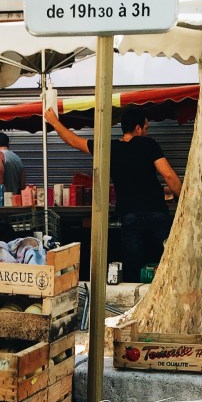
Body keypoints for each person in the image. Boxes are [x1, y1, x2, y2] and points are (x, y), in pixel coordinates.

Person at [44, 104, 182, 282]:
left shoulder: (109, 148)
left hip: (129, 216)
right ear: (138, 128)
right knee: (167, 263)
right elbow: (169, 176)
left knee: (133, 268)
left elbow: (74, 141)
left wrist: (54, 122)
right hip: (157, 214)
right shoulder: (150, 144)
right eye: (146, 128)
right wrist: (182, 199)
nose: (146, 132)